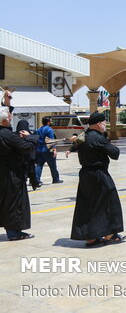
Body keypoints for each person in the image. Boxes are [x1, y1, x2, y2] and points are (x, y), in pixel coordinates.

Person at [70, 112, 125, 247]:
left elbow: (75, 145)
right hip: (99, 174)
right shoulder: (98, 138)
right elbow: (115, 153)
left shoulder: (83, 136)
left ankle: (90, 238)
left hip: (85, 174)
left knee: (88, 205)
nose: (105, 125)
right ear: (98, 124)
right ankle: (110, 234)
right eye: (104, 122)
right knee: (109, 201)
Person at [0, 103, 37, 241]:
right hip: (12, 175)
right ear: (5, 120)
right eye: (9, 116)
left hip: (3, 173)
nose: (11, 117)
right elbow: (27, 147)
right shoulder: (8, 135)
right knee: (14, 203)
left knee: (5, 202)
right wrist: (30, 137)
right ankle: (14, 232)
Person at [34, 116, 62, 184]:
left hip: (39, 150)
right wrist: (54, 149)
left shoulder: (38, 130)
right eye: (51, 121)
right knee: (53, 166)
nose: (51, 122)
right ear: (48, 122)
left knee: (39, 165)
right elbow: (51, 141)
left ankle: (36, 179)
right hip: (48, 150)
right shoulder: (49, 130)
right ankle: (56, 179)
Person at [16, 120, 39, 190]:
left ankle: (22, 185)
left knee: (23, 172)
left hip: (19, 157)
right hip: (29, 157)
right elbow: (35, 143)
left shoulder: (15, 135)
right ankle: (34, 184)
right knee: (31, 171)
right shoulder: (30, 135)